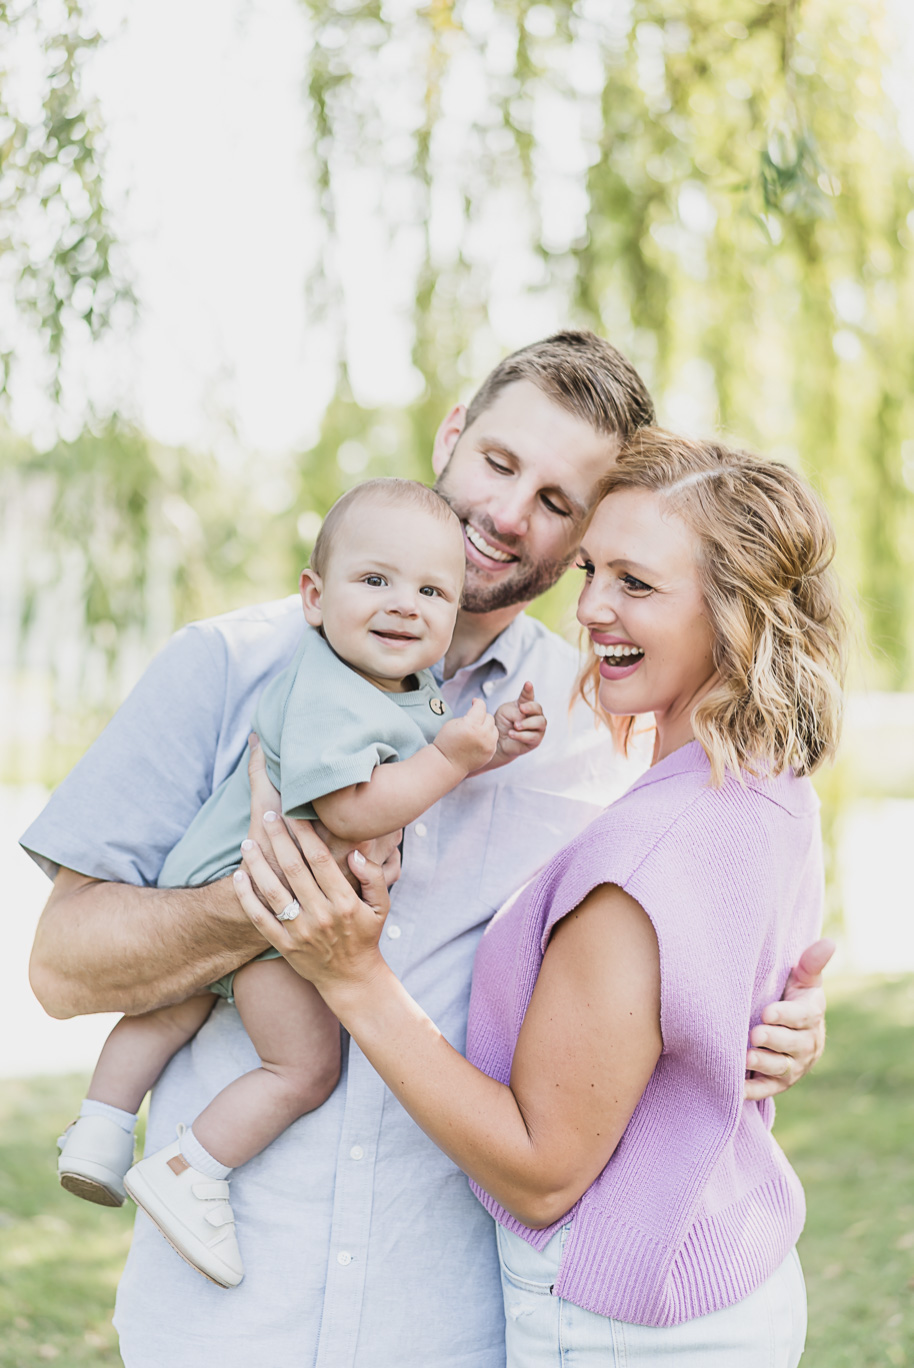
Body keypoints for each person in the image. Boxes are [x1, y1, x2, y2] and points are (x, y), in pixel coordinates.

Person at [24, 333, 829, 1367]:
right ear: (452, 436)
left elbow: (655, 939)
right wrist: (258, 905)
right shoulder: (226, 667)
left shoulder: (593, 729)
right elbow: (59, 969)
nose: (507, 514)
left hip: (455, 1325)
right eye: (499, 464)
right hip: (226, 1320)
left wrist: (757, 1022)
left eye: (555, 502)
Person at [233, 430, 846, 1366]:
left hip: (620, 1328)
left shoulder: (642, 863)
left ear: (739, 618)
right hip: (730, 1275)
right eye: (592, 569)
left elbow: (542, 1175)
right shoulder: (771, 782)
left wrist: (351, 977)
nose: (591, 606)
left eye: (636, 585)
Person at [56, 478, 547, 1289]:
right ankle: (191, 1169)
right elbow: (353, 810)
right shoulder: (331, 691)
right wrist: (455, 759)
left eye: (432, 591)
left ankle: (101, 1130)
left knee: (175, 1003)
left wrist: (488, 744)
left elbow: (417, 745)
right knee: (305, 1067)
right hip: (262, 901)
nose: (403, 605)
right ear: (314, 598)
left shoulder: (387, 685)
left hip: (219, 872)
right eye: (375, 581)